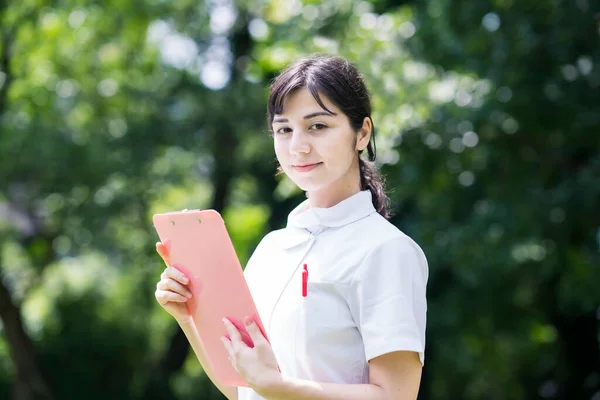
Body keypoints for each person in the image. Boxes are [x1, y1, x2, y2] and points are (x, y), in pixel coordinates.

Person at [154, 55, 428, 400]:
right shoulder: (272, 248)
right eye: (284, 129)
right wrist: (187, 315)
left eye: (318, 126)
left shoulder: (387, 250)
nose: (298, 146)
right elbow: (240, 390)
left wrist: (279, 387)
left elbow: (396, 396)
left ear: (362, 133)